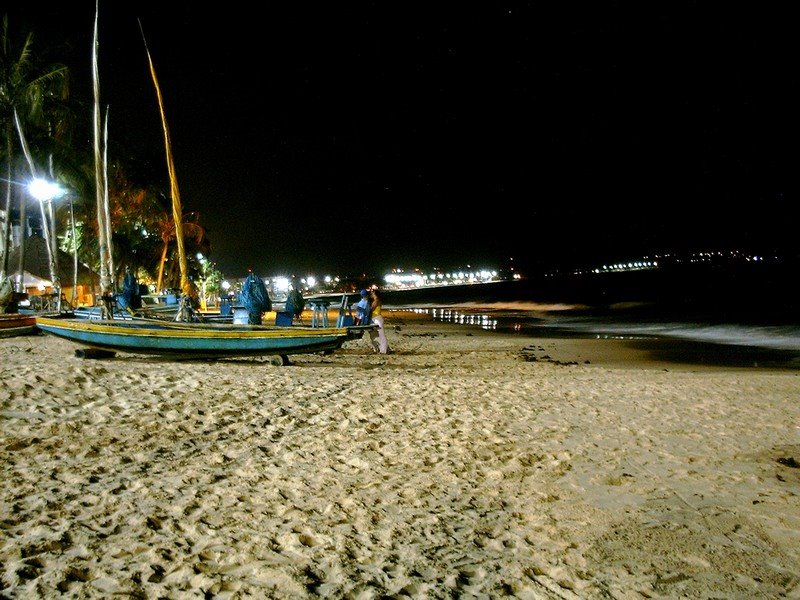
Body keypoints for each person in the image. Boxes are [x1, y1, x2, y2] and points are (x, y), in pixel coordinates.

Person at [368, 288, 390, 355]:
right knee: (377, 334)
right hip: (375, 318)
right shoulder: (376, 300)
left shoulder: (376, 300)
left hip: (377, 318)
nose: (371, 294)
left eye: (372, 293)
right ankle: (382, 349)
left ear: (375, 294)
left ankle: (384, 350)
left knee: (381, 334)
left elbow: (372, 309)